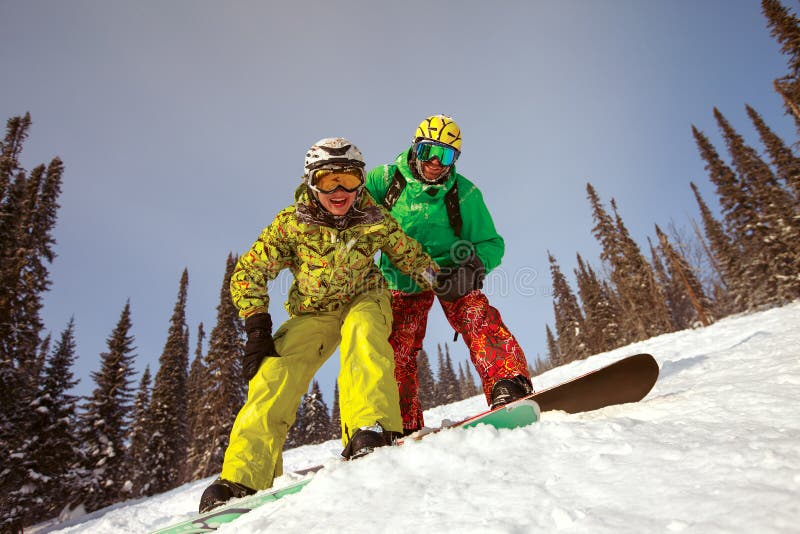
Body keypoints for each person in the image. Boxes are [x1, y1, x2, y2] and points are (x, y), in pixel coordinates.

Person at [199, 137, 438, 513]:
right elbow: (249, 271)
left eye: (350, 179)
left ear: (361, 181)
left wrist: (441, 278)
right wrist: (258, 324)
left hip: (365, 296)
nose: (341, 191)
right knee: (274, 370)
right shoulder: (292, 224)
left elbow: (408, 253)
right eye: (329, 181)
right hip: (314, 311)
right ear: (312, 182)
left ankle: (370, 428)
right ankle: (243, 476)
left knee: (364, 334)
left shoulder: (374, 218)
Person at [364, 114, 533, 435]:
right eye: (429, 151)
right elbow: (358, 225)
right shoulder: (385, 181)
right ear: (415, 147)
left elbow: (491, 243)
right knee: (397, 346)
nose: (435, 163)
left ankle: (508, 382)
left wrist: (473, 268)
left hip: (450, 273)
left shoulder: (464, 193)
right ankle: (400, 422)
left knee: (478, 317)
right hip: (402, 278)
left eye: (446, 156)